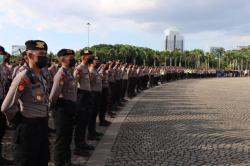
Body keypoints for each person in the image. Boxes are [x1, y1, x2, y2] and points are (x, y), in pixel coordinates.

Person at [1, 40, 49, 166]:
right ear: (30, 56)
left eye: (45, 54)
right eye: (41, 54)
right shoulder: (24, 77)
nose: (44, 57)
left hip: (42, 126)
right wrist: (19, 120)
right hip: (28, 129)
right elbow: (7, 106)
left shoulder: (41, 76)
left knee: (42, 159)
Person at [49, 49, 77, 166]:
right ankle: (59, 162)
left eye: (72, 57)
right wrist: (55, 108)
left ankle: (67, 161)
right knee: (61, 139)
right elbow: (54, 95)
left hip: (70, 107)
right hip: (62, 109)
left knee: (68, 137)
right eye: (70, 57)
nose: (72, 59)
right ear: (62, 59)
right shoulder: (61, 74)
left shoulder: (69, 72)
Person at [73, 49, 95, 156]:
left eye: (91, 55)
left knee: (85, 120)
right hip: (81, 96)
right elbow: (75, 83)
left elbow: (89, 81)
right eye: (88, 55)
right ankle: (78, 147)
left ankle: (83, 142)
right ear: (82, 57)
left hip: (87, 95)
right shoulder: (79, 68)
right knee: (80, 122)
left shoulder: (87, 68)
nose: (91, 57)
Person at [0, 46, 13, 165]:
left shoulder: (2, 68)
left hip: (2, 100)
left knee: (2, 128)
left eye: (2, 54)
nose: (1, 56)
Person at [88, 56, 104, 141]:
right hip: (93, 94)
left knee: (94, 114)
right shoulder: (91, 71)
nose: (98, 62)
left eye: (98, 60)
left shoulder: (95, 70)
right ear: (92, 62)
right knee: (92, 114)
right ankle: (90, 133)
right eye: (96, 61)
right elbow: (89, 83)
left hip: (97, 93)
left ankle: (93, 131)